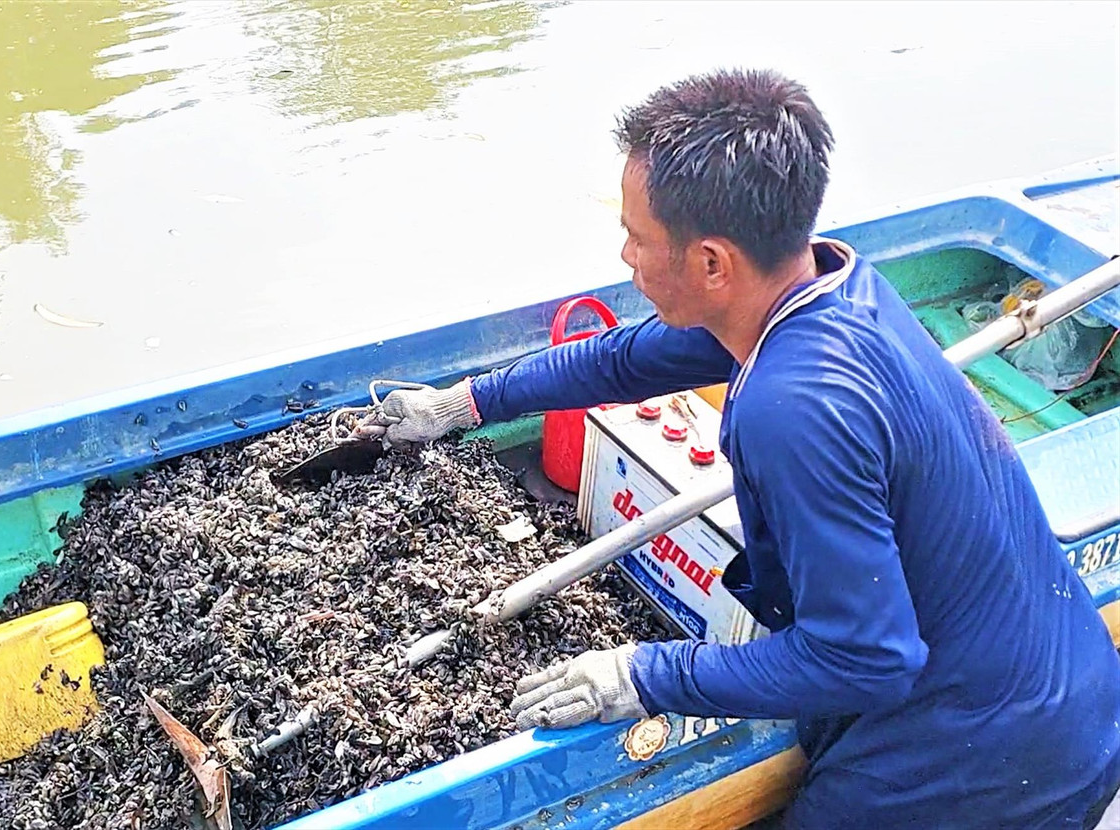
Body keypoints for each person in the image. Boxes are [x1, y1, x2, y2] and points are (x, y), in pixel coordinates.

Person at [354, 68, 1120, 829]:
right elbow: (623, 360)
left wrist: (642, 673)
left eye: (637, 237)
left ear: (713, 263)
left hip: (986, 761)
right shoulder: (829, 283)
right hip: (1062, 675)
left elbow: (867, 659)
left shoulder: (791, 413)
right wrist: (464, 403)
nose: (625, 256)